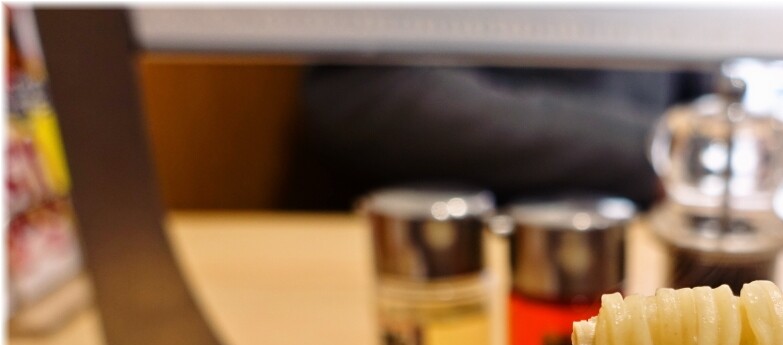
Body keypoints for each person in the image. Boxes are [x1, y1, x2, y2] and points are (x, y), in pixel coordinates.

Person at [283, 64, 712, 211]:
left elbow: (708, 94)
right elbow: (361, 91)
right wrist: (649, 148)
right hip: (447, 252)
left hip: (649, 251)